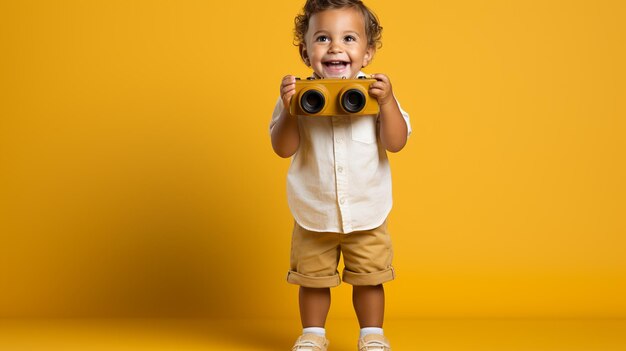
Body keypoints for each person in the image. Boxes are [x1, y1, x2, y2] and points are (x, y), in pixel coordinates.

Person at [269, 1, 411, 350]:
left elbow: (396, 142)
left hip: (367, 211)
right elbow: (283, 148)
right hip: (313, 212)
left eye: (349, 38)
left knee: (370, 278)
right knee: (312, 280)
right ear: (306, 52)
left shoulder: (376, 92)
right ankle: (313, 335)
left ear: (367, 52)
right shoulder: (300, 95)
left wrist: (389, 102)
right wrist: (291, 110)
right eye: (322, 38)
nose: (335, 47)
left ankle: (372, 334)